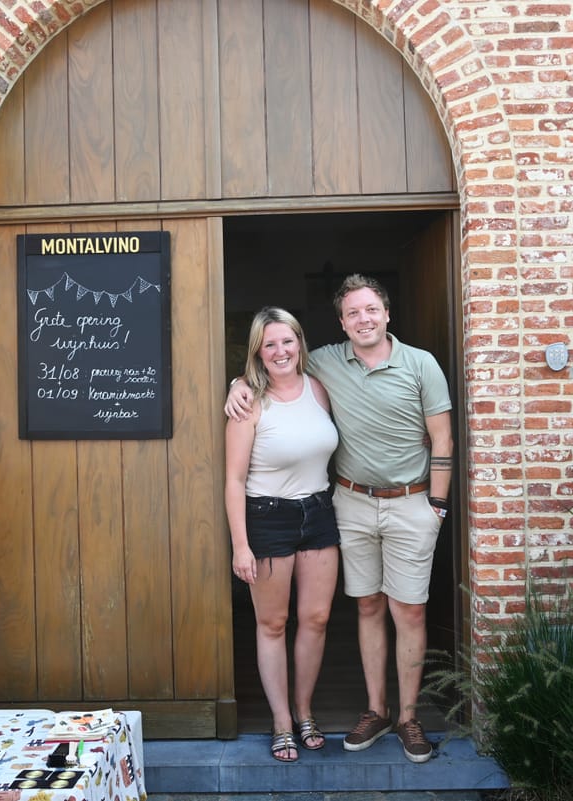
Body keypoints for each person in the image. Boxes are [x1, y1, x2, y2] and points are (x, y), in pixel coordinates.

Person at [226, 274, 453, 763]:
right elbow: (271, 376)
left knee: (370, 614)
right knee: (338, 611)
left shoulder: (395, 368)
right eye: (353, 313)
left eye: (371, 309)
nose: (363, 319)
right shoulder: (311, 371)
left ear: (387, 312)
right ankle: (333, 716)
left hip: (365, 508)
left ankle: (394, 717)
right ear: (342, 323)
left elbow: (442, 437)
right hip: (319, 508)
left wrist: (437, 505)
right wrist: (237, 383)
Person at [225, 306, 341, 763]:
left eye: (287, 341)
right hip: (268, 517)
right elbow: (234, 479)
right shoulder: (248, 402)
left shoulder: (318, 389)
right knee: (272, 624)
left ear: (299, 343)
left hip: (319, 512)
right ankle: (280, 721)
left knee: (316, 619)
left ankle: (304, 712)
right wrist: (241, 545)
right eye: (269, 344)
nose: (280, 351)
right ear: (258, 351)